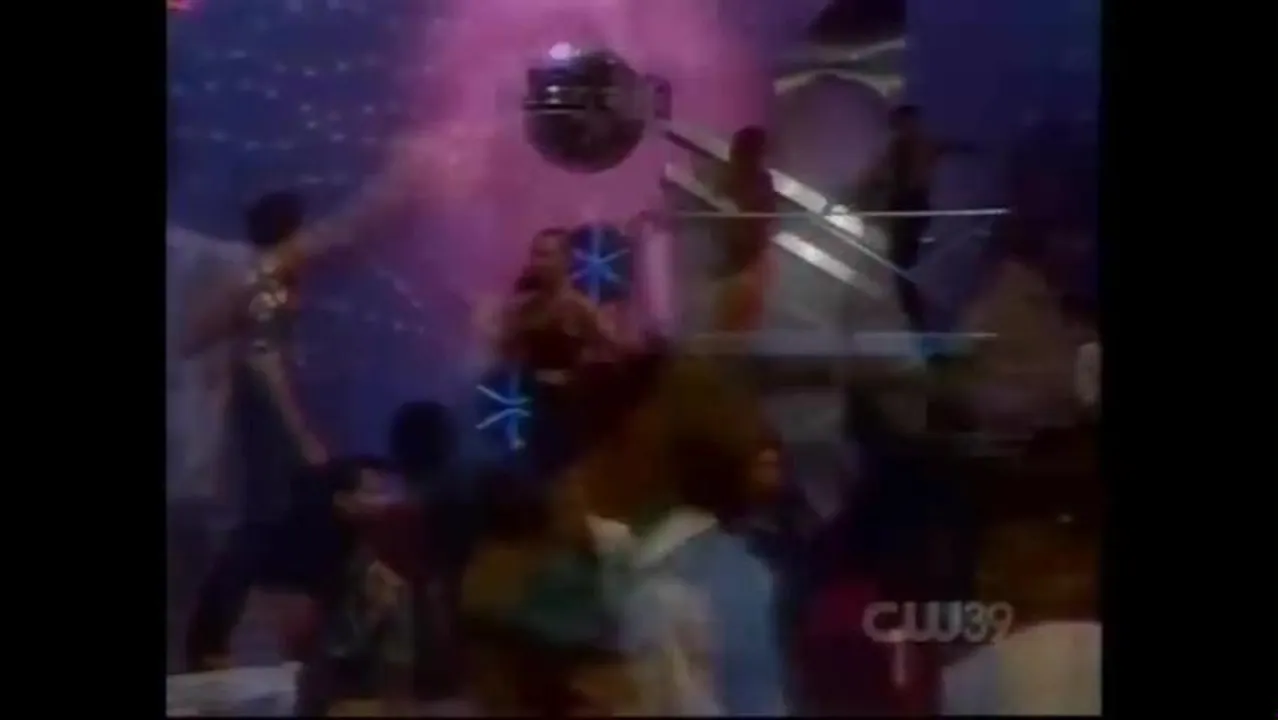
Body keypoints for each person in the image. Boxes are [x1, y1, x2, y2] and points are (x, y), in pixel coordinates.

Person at [181, 191, 329, 670]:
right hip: (261, 406)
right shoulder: (267, 281)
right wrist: (299, 433)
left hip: (255, 403)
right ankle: (210, 635)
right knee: (260, 518)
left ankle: (212, 633)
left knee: (264, 514)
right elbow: (264, 363)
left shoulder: (262, 278)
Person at [284, 456, 416, 716]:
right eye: (372, 493)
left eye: (384, 493)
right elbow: (319, 647)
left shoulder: (374, 567)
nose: (384, 502)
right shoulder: (318, 565)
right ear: (341, 500)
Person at [859, 105, 974, 336]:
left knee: (909, 260)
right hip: (907, 204)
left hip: (913, 204)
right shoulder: (898, 149)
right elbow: (876, 178)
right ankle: (923, 317)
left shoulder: (913, 147)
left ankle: (925, 317)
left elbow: (947, 150)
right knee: (906, 261)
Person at [713, 125, 777, 333]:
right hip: (740, 256)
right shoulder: (744, 180)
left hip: (742, 255)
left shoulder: (736, 179)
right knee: (739, 318)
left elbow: (767, 214)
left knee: (739, 318)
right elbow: (767, 214)